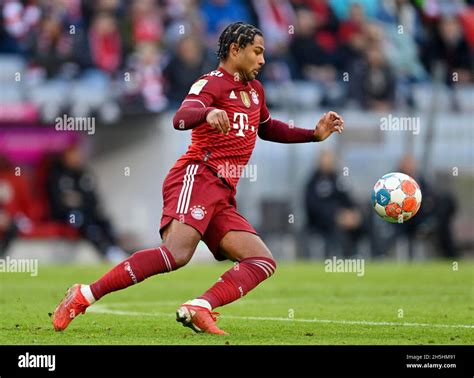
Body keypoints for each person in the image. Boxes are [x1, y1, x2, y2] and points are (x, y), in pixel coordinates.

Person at [52, 22, 344, 335]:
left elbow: (268, 128)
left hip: (222, 192)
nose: (262, 60)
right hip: (198, 176)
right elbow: (181, 117)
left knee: (261, 261)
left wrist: (313, 135)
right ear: (235, 50)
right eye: (257, 52)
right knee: (176, 254)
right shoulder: (211, 83)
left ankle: (200, 306)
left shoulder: (255, 91)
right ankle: (84, 295)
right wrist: (206, 113)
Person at [46, 144, 127, 263]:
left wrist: (78, 200)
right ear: (65, 156)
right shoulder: (57, 175)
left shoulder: (84, 174)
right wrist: (77, 201)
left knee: (105, 222)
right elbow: (58, 202)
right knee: (84, 222)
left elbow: (93, 198)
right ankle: (105, 252)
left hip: (88, 211)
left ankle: (116, 249)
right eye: (73, 155)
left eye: (78, 155)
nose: (76, 158)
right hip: (67, 215)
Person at [304, 150, 364, 258]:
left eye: (330, 159)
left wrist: (353, 213)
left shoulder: (339, 179)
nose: (328, 162)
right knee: (336, 229)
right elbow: (313, 206)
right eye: (325, 159)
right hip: (321, 222)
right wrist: (335, 215)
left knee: (364, 223)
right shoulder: (312, 182)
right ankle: (338, 258)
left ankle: (374, 255)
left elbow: (348, 198)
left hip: (343, 218)